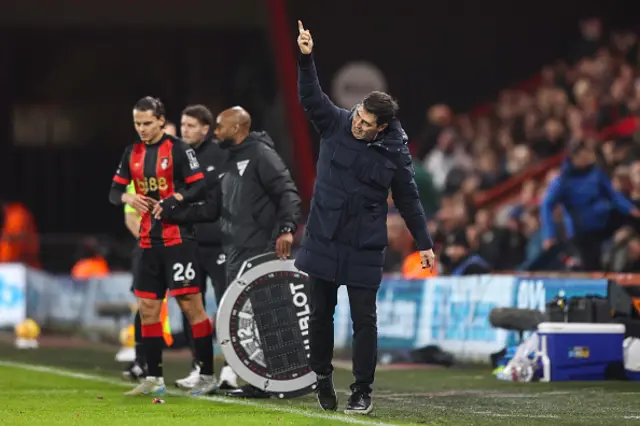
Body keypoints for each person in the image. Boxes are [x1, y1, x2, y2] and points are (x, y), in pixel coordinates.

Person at [295, 21, 436, 415]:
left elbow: (409, 199)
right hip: (323, 236)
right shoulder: (335, 121)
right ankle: (322, 375)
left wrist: (424, 243)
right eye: (357, 115)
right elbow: (310, 97)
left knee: (365, 323)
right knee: (320, 315)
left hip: (363, 244)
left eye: (366, 123)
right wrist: (306, 59)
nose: (357, 123)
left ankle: (362, 391)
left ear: (382, 128)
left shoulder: (395, 152)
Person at [157, 106, 302, 398]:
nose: (217, 131)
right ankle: (258, 380)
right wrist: (173, 213)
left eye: (221, 127)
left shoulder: (261, 154)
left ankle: (289, 375)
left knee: (270, 313)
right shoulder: (228, 160)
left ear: (236, 129)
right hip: (234, 249)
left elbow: (287, 191)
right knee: (243, 319)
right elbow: (212, 209)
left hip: (260, 247)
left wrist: (286, 228)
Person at [109, 96, 216, 396]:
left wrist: (176, 198)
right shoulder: (131, 153)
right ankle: (153, 378)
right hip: (147, 242)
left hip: (178, 240)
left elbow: (199, 186)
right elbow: (114, 191)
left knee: (191, 306)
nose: (141, 128)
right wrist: (129, 198)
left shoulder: (179, 150)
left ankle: (206, 373)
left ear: (160, 120)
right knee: (147, 310)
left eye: (146, 123)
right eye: (137, 123)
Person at [173, 104, 237, 391]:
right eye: (182, 125)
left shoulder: (221, 155)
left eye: (190, 125)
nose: (184, 130)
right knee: (190, 305)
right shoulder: (175, 156)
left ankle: (231, 369)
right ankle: (200, 366)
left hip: (219, 242)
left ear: (205, 129)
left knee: (227, 305)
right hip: (187, 243)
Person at [541, 140, 640, 270]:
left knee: (633, 221)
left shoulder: (595, 172)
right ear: (575, 157)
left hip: (603, 219)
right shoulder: (563, 181)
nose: (590, 155)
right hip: (582, 230)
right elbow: (547, 205)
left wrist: (629, 209)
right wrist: (549, 234)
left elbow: (612, 194)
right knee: (592, 265)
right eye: (586, 153)